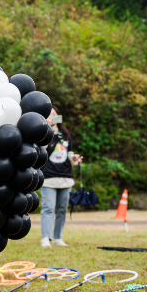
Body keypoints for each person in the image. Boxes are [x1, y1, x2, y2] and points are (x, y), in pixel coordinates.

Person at [39, 106, 83, 247]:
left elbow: (69, 153)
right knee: (48, 208)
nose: (52, 116)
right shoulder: (42, 135)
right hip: (48, 178)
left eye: (54, 114)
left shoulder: (65, 135)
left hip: (65, 178)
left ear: (58, 116)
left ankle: (58, 237)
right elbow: (41, 152)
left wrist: (74, 158)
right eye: (49, 114)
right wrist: (48, 131)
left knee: (62, 209)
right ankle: (46, 238)